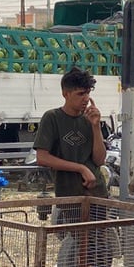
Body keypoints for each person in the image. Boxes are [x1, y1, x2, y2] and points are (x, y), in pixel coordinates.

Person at [33, 67, 108, 200]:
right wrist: (81, 168)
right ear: (65, 94)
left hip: (97, 192)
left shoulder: (89, 119)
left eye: (88, 93)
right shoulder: (52, 118)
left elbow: (99, 160)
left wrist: (96, 127)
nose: (85, 99)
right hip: (68, 194)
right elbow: (42, 157)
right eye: (80, 94)